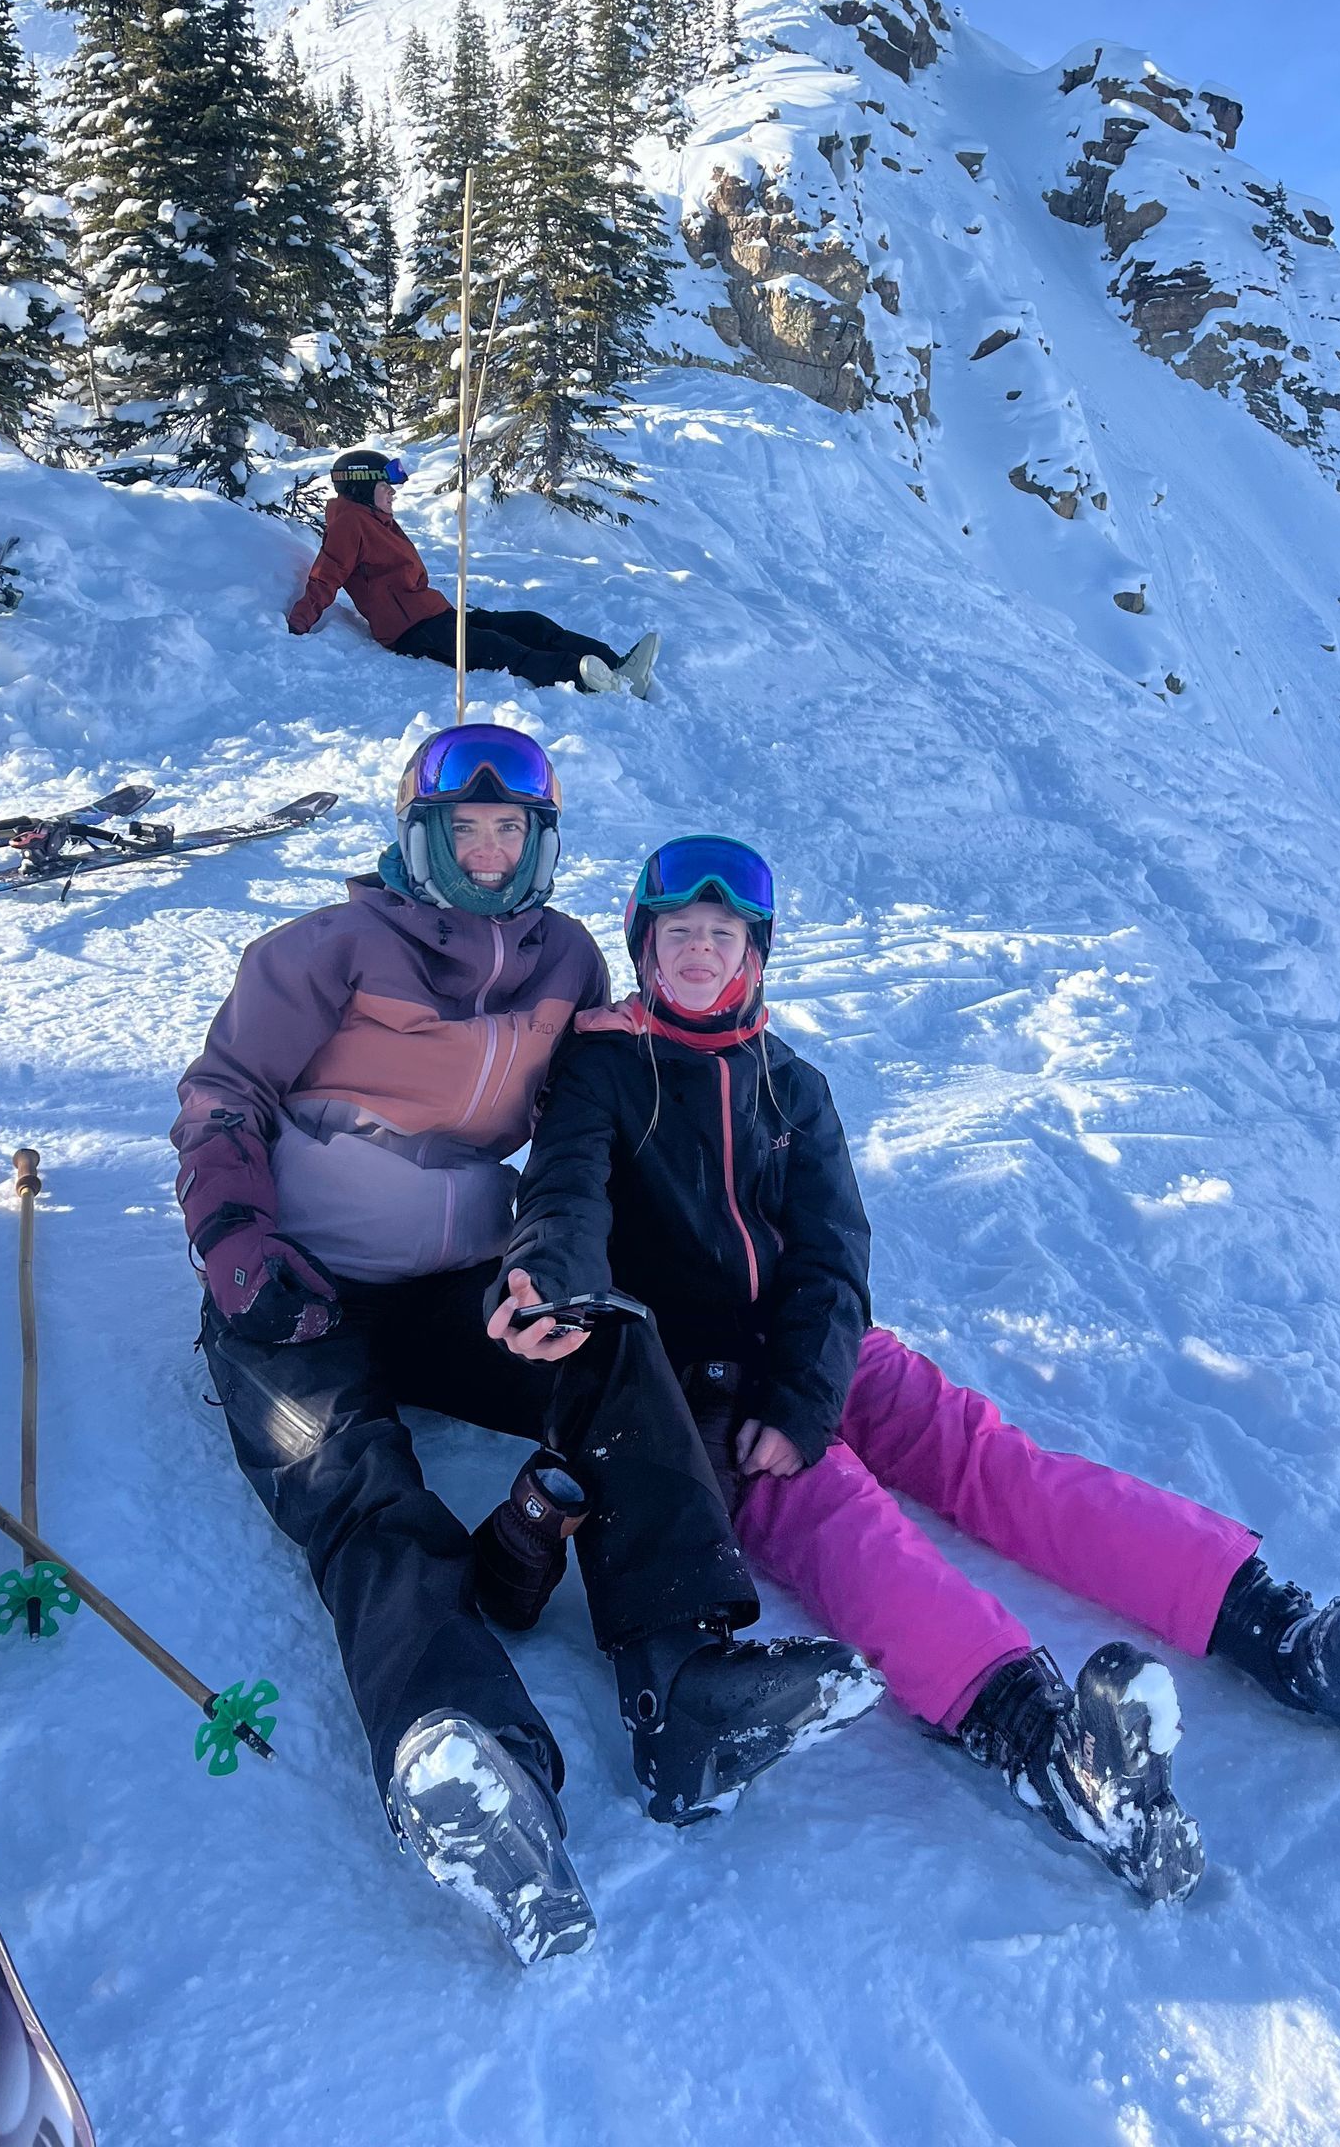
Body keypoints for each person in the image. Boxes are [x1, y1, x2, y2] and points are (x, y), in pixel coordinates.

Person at [479, 834, 1340, 1908]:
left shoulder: (793, 1088)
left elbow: (834, 1254)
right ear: (644, 951)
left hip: (823, 1353)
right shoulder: (607, 1070)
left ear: (756, 954)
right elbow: (563, 1197)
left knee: (998, 1465)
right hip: (702, 1392)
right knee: (850, 1526)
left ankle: (1270, 1621)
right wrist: (549, 1280)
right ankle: (1047, 1744)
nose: (699, 953)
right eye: (678, 935)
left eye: (722, 935)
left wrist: (807, 1392)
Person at [172, 732, 876, 1968]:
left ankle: (684, 1681)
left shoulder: (567, 960)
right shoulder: (326, 948)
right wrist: (236, 1235)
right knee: (365, 1488)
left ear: (543, 844)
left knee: (613, 1350)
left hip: (455, 1282)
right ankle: (462, 1742)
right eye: (466, 830)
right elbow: (223, 1092)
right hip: (299, 1289)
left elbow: (583, 1127)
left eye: (513, 832)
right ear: (420, 834)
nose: (490, 852)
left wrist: (556, 1273)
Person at [285, 447, 661, 698]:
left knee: (528, 624)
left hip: (434, 614)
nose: (393, 494)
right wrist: (300, 621)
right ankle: (589, 679)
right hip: (412, 631)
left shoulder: (376, 519)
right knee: (500, 648)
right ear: (362, 488)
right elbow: (327, 574)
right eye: (386, 487)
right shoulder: (350, 523)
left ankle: (617, 664)